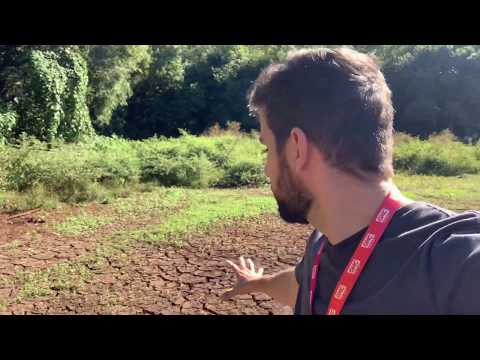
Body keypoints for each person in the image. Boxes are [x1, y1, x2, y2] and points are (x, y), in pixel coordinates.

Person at [222, 47, 480, 315]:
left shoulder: (451, 260)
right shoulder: (322, 246)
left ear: (297, 148)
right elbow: (301, 286)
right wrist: (258, 283)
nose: (266, 169)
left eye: (267, 148)